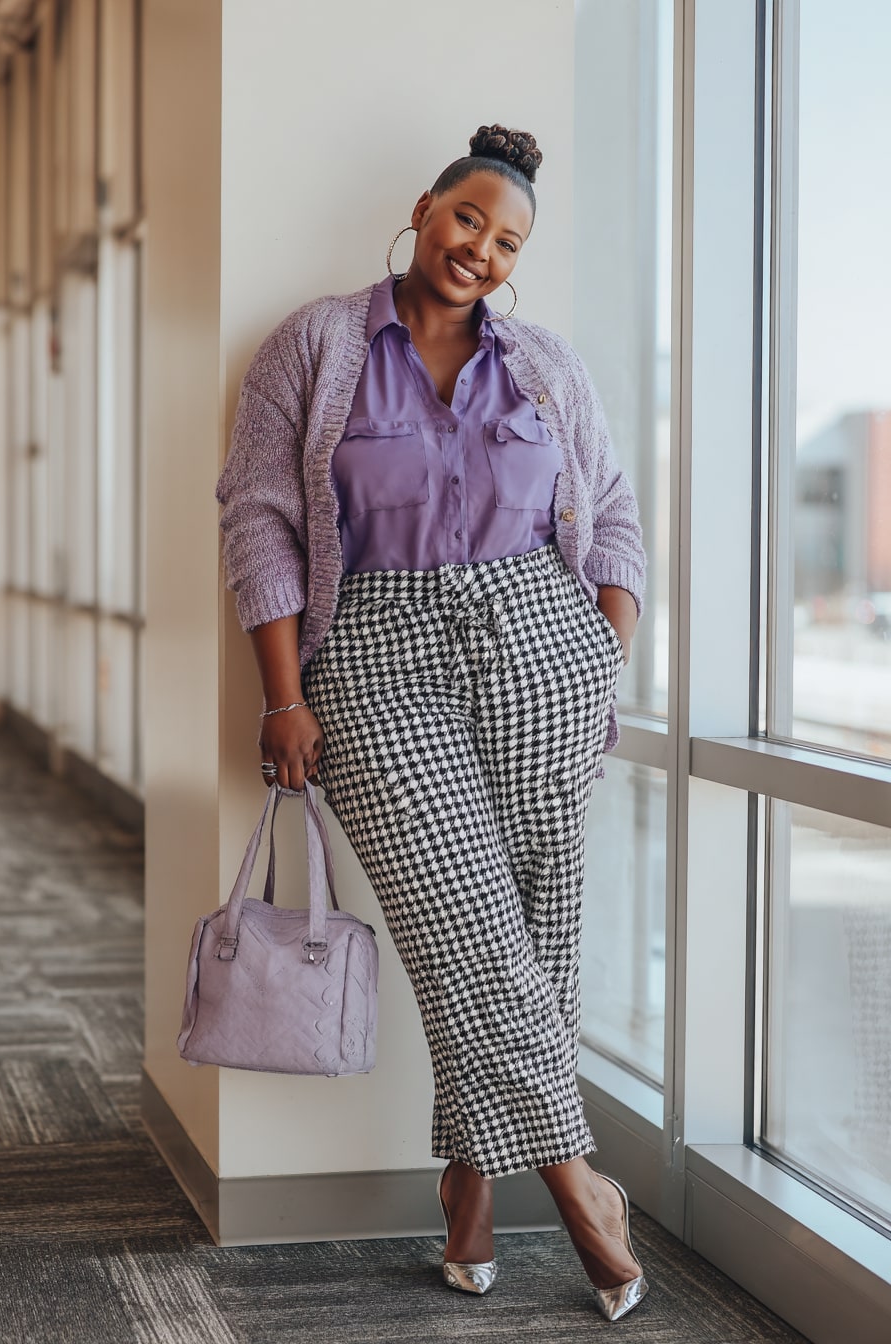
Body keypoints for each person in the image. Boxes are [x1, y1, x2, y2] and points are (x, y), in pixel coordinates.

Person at [216, 124, 648, 1323]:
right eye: (467, 220)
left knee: (536, 925)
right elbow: (257, 518)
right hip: (373, 656)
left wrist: (602, 642)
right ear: (423, 208)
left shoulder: (546, 366)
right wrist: (284, 692)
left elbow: (608, 506)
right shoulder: (314, 343)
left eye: (507, 242)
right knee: (465, 924)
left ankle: (466, 1188)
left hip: (538, 646)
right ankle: (576, 1183)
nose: (480, 251)